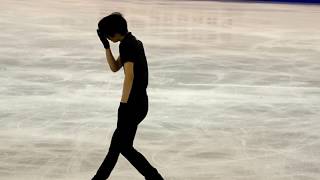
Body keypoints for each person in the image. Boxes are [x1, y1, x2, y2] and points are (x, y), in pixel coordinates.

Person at [92, 12, 164, 180]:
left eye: (108, 35)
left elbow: (129, 76)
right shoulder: (132, 42)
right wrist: (106, 47)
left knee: (121, 146)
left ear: (114, 32)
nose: (108, 37)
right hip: (139, 102)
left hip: (133, 104)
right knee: (119, 146)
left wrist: (123, 104)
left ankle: (155, 177)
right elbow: (115, 67)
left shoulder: (128, 45)